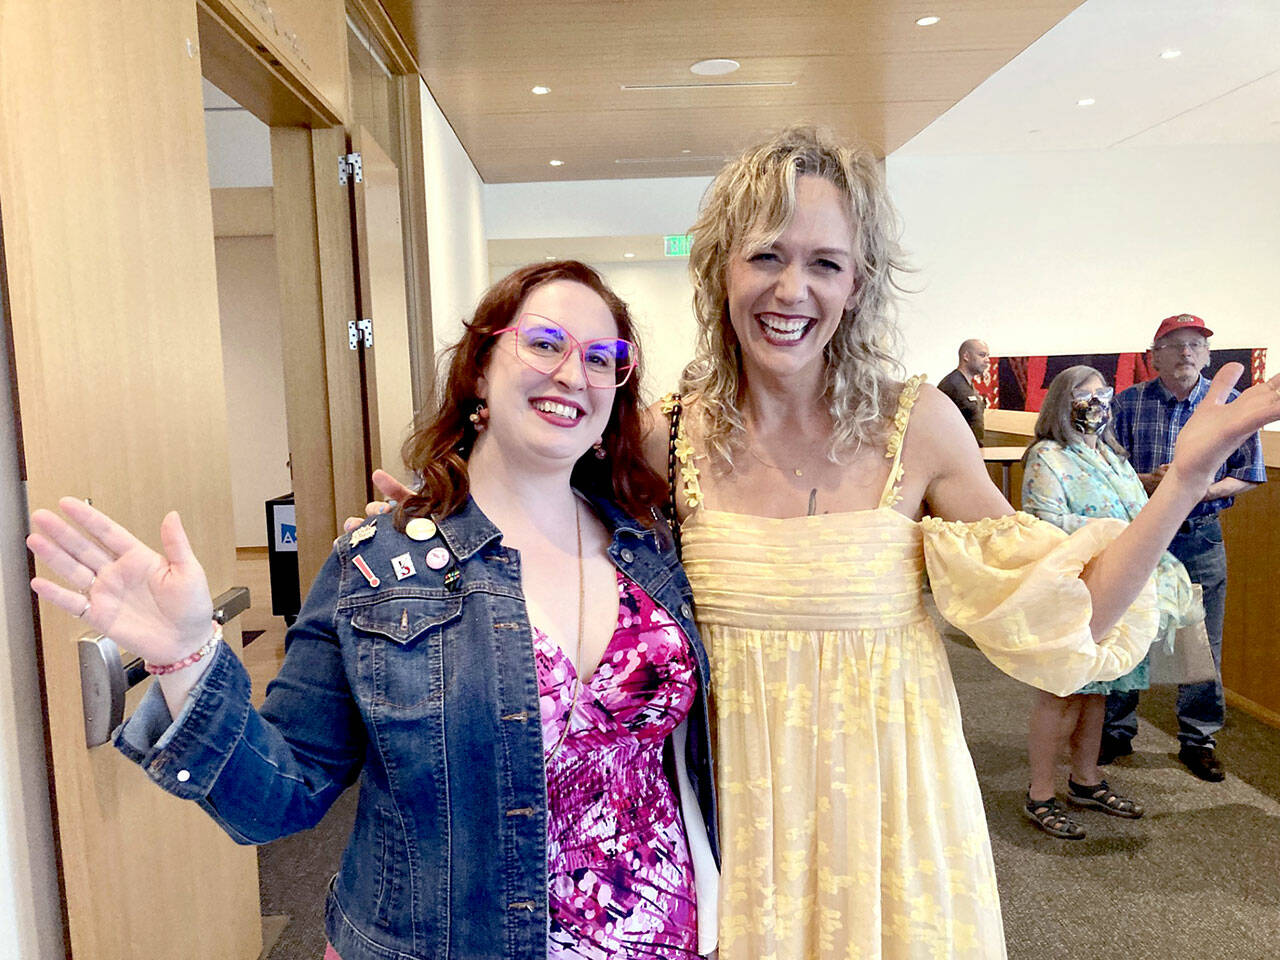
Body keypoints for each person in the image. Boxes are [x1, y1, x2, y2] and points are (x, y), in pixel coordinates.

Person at [356, 128, 1280, 959]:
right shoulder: (662, 434)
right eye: (766, 254)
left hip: (891, 819)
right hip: (731, 814)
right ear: (720, 268)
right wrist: (434, 522)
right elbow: (548, 539)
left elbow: (1073, 614)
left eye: (825, 263)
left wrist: (1186, 477)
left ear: (858, 283)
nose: (792, 290)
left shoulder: (917, 426)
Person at [26, 261, 720, 960]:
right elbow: (281, 796)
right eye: (544, 343)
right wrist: (185, 658)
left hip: (663, 937)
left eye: (602, 358)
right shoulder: (378, 564)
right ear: (480, 370)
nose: (574, 374)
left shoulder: (650, 547)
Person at [1020, 365, 1204, 839]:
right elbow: (1043, 523)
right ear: (1062, 403)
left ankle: (1085, 779)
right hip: (1077, 589)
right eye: (1086, 396)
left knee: (1100, 690)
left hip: (1123, 589)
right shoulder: (1047, 455)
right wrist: (1116, 533)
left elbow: (1139, 515)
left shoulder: (1113, 455)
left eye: (1104, 394)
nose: (1098, 404)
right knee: (1062, 692)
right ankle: (1040, 792)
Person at [1101, 313, 1268, 781]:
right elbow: (1108, 469)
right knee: (1126, 628)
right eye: (1174, 345)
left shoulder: (1231, 406)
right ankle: (1116, 730)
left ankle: (1198, 739)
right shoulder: (1127, 403)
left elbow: (1249, 474)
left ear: (1208, 355)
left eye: (1195, 344)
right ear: (1154, 356)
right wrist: (1149, 482)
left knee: (1202, 641)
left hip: (1200, 536)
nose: (1186, 352)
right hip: (1139, 535)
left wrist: (1199, 489)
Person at [938, 338, 990, 443]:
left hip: (974, 448)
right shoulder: (951, 385)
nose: (987, 360)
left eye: (988, 356)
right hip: (956, 449)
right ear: (966, 356)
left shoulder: (969, 386)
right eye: (982, 355)